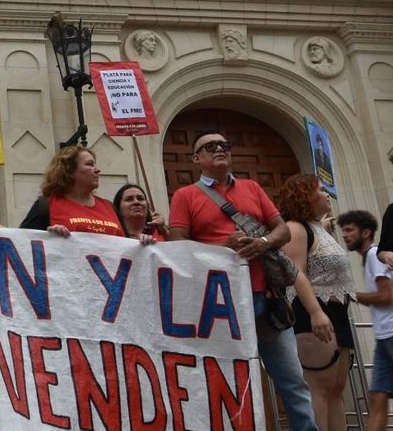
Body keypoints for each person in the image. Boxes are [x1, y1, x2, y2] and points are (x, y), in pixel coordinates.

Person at [168, 130, 324, 431]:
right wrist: (221, 249)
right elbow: (177, 245)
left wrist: (263, 242)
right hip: (220, 305)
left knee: (293, 381)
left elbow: (283, 231)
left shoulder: (252, 188)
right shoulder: (185, 196)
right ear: (196, 158)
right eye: (209, 146)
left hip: (265, 298)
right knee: (229, 385)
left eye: (224, 145)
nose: (219, 149)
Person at [277, 174, 354, 431]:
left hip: (338, 311)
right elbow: (296, 272)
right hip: (313, 312)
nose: (327, 195)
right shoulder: (297, 229)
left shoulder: (318, 227)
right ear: (305, 196)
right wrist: (315, 312)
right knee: (318, 390)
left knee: (336, 390)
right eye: (321, 190)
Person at [337, 210, 393, 431]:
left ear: (366, 232)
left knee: (377, 398)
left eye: (350, 230)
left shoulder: (374, 255)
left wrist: (350, 295)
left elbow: (386, 296)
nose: (345, 235)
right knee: (378, 398)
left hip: (391, 332)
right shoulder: (370, 258)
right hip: (384, 337)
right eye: (343, 230)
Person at [19, 146, 144, 241]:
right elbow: (21, 244)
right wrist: (48, 238)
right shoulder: (46, 205)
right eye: (90, 164)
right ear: (69, 171)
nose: (97, 169)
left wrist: (143, 243)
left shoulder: (109, 207)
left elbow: (127, 247)